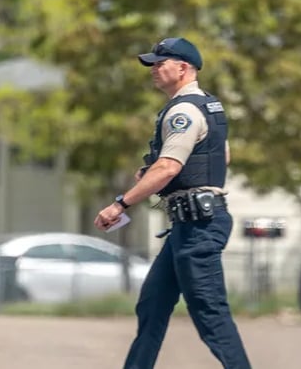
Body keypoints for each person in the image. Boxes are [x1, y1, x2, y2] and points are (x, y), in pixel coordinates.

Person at [94, 37, 252, 369]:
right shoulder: (207, 105)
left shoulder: (183, 110)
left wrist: (120, 204)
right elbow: (221, 156)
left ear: (182, 68)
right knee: (153, 305)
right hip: (190, 223)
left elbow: (168, 168)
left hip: (198, 227)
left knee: (211, 315)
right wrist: (156, 171)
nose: (153, 70)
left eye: (159, 64)